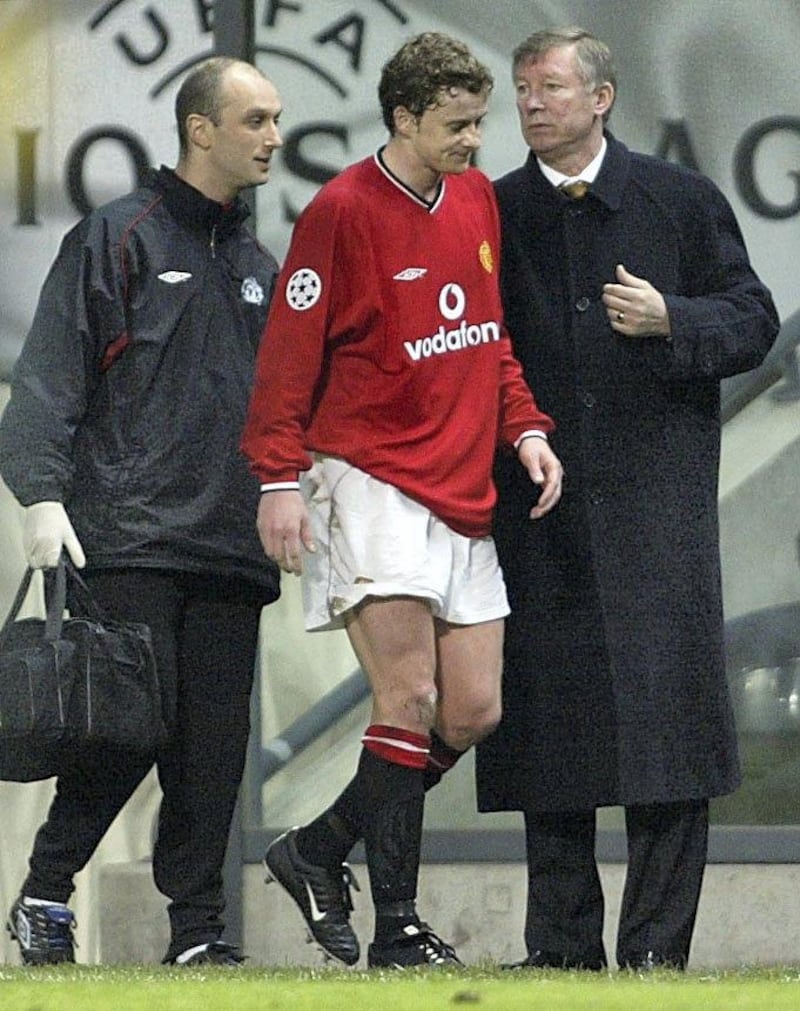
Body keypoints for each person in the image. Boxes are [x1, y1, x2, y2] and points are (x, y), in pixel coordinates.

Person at [241, 32, 563, 969]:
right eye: (457, 125)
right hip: (369, 478)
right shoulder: (341, 211)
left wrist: (527, 428)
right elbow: (286, 361)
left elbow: (489, 339)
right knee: (409, 694)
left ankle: (315, 846)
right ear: (404, 118)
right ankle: (400, 928)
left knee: (471, 712)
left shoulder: (472, 198)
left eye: (480, 122)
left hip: (462, 483)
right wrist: (276, 480)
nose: (475, 141)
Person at [475, 27, 780, 971]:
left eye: (552, 87)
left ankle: (656, 955)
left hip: (658, 515)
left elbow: (755, 318)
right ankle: (560, 950)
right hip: (538, 513)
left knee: (669, 742)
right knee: (547, 734)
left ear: (602, 98)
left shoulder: (678, 198)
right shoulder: (492, 211)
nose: (532, 103)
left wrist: (671, 318)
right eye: (522, 89)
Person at [0, 57, 284, 966]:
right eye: (256, 120)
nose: (275, 137)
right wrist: (41, 497)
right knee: (123, 734)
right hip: (128, 540)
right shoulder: (116, 237)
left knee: (212, 755)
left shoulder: (259, 265)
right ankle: (47, 890)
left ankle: (197, 933)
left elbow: (285, 409)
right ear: (202, 130)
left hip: (232, 549)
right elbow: (47, 380)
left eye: (277, 120)